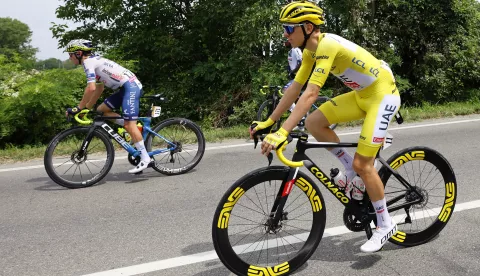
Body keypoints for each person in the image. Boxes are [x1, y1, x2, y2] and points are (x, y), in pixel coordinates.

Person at [250, 0, 400, 253]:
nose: (285, 34)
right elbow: (295, 89)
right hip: (363, 96)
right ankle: (351, 169)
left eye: (288, 28)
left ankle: (385, 223)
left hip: (382, 96)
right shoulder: (310, 51)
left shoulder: (327, 45)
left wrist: (283, 132)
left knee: (363, 165)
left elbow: (309, 94)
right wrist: (270, 121)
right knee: (313, 122)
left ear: (308, 27)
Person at [64, 39, 151, 174]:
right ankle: (134, 129)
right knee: (101, 111)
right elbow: (99, 88)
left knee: (129, 124)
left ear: (79, 53)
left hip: (131, 87)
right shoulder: (92, 61)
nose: (69, 58)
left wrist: (78, 108)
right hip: (125, 88)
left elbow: (91, 88)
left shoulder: (88, 62)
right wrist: (87, 107)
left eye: (70, 55)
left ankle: (145, 159)